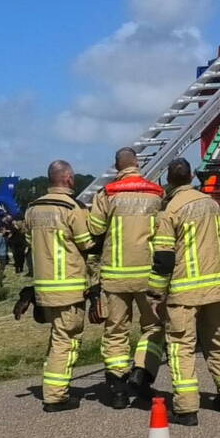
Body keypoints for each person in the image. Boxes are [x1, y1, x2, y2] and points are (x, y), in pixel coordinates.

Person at [147, 158, 220, 426]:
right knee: (218, 343)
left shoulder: (169, 212)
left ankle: (186, 409)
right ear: (190, 177)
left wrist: (155, 293)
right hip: (214, 290)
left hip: (183, 294)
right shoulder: (211, 204)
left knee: (181, 349)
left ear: (169, 180)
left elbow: (164, 259)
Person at [88, 147, 166, 409]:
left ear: (116, 166)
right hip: (148, 275)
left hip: (115, 275)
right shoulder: (156, 192)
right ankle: (141, 373)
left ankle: (118, 388)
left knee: (115, 331)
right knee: (154, 328)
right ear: (138, 164)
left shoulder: (107, 193)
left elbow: (96, 228)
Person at [22, 160, 95, 412]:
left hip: (44, 286)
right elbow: (87, 244)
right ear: (68, 179)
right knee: (67, 340)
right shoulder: (71, 208)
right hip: (69, 286)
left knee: (56, 338)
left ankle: (54, 387)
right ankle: (55, 395)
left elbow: (30, 242)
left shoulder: (33, 209)